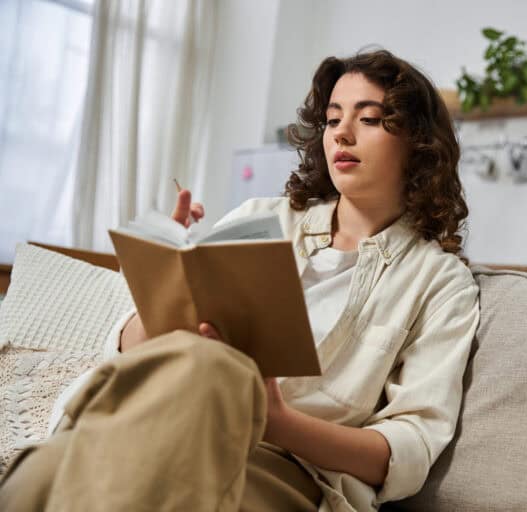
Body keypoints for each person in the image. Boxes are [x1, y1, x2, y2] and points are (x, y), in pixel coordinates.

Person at [0, 49, 479, 511]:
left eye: (369, 119)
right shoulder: (261, 219)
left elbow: (410, 450)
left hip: (285, 466)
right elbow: (131, 350)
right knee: (48, 471)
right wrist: (166, 287)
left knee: (195, 387)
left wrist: (277, 422)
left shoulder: (439, 282)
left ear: (418, 142)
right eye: (333, 119)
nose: (342, 135)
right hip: (173, 417)